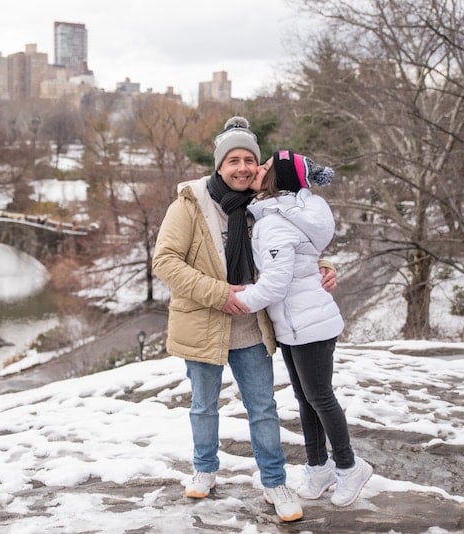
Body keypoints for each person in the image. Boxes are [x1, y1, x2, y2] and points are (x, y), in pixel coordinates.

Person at [152, 117, 336, 522]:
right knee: (203, 405)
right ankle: (205, 469)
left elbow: (292, 246)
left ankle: (274, 482)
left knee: (263, 407)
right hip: (203, 321)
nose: (242, 168)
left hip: (252, 324)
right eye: (232, 160)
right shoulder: (190, 205)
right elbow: (164, 262)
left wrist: (321, 265)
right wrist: (219, 294)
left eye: (249, 160)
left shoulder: (261, 206)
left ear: (257, 167)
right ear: (219, 166)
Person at [235, 149, 373, 507]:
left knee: (320, 398)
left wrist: (240, 302)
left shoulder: (276, 222)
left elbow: (276, 283)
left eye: (264, 166)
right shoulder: (277, 214)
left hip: (310, 324)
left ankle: (349, 466)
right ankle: (318, 467)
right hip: (294, 325)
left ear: (277, 179)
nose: (257, 170)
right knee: (306, 399)